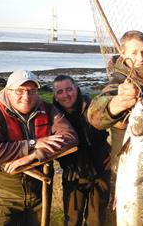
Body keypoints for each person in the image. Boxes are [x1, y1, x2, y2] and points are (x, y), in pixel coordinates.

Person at [87, 30, 143, 224]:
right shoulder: (120, 82)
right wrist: (119, 102)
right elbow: (95, 115)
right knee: (128, 212)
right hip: (130, 167)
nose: (141, 57)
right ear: (123, 55)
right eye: (135, 52)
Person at [0, 70, 78, 226]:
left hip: (39, 196)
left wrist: (35, 155)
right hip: (6, 197)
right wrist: (32, 144)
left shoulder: (48, 110)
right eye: (19, 91)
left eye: (32, 91)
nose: (27, 96)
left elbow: (70, 138)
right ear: (8, 91)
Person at [52, 75, 111, 226]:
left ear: (77, 89)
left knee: (96, 220)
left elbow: (119, 125)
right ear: (55, 97)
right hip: (73, 173)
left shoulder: (93, 106)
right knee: (72, 220)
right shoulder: (52, 116)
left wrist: (116, 153)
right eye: (60, 92)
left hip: (101, 170)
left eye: (69, 89)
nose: (66, 95)